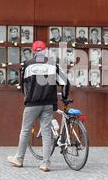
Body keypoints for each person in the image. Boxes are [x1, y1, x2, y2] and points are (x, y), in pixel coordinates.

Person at [8, 40, 69, 172]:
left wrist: (26, 96)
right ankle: (46, 163)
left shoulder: (27, 64)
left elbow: (23, 84)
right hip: (48, 103)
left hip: (32, 103)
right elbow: (65, 81)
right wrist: (64, 97)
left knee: (25, 130)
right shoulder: (53, 64)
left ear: (33, 51)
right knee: (47, 132)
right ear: (45, 51)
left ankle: (19, 159)